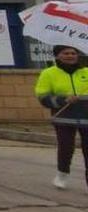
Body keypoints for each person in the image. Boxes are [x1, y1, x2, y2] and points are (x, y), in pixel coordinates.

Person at [35, 45, 88, 190]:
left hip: (86, 116)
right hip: (64, 117)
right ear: (57, 56)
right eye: (66, 53)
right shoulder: (49, 73)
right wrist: (62, 100)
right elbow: (42, 96)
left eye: (73, 53)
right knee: (66, 147)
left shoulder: (86, 72)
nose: (70, 56)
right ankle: (62, 174)